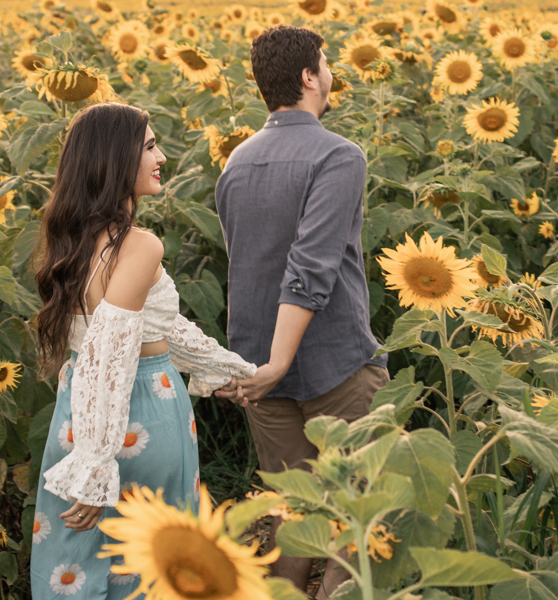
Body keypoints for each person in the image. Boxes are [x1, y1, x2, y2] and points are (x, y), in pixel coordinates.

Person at [30, 102, 256, 599]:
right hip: (137, 411)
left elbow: (155, 326)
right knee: (156, 560)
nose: (162, 156)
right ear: (115, 161)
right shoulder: (139, 245)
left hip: (79, 413)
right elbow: (110, 350)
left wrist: (220, 370)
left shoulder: (71, 241)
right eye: (150, 146)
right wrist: (93, 467)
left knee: (78, 560)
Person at [213, 25, 389, 598]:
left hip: (258, 374)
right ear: (309, 77)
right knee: (357, 522)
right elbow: (309, 269)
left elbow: (246, 265)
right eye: (327, 63)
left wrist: (258, 366)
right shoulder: (338, 156)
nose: (332, 72)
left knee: (288, 519)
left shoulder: (237, 162)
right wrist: (281, 362)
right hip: (332, 367)